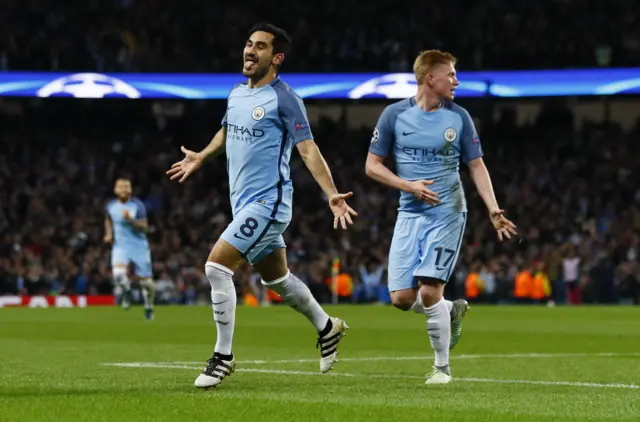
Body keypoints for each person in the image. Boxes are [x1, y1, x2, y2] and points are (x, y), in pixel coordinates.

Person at [166, 23, 357, 389]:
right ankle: (327, 326)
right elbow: (227, 128)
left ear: (277, 58)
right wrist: (202, 157)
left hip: (269, 202)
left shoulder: (285, 98)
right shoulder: (237, 94)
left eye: (260, 47)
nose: (250, 51)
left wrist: (331, 193)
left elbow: (308, 149)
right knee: (276, 279)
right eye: (248, 44)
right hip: (243, 204)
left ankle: (223, 356)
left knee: (216, 267)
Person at [365, 50, 517, 384]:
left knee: (430, 290)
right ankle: (449, 310)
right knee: (401, 299)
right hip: (409, 212)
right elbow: (372, 165)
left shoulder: (459, 117)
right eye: (450, 75)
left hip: (448, 212)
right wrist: (408, 185)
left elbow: (476, 164)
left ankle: (442, 368)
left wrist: (493, 208)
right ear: (429, 78)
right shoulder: (393, 116)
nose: (456, 81)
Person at [104, 177, 156, 320]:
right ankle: (126, 291)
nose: (125, 190)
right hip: (120, 246)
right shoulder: (111, 206)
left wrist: (130, 221)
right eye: (121, 187)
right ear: (115, 190)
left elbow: (145, 227)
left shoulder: (137, 206)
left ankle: (149, 307)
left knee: (146, 283)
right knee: (118, 274)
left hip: (139, 247)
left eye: (127, 187)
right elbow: (108, 219)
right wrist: (108, 234)